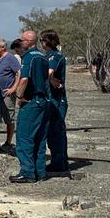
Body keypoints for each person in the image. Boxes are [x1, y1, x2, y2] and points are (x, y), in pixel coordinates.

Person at [10, 30, 51, 183]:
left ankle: (27, 172)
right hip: (44, 101)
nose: (20, 42)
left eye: (22, 39)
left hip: (32, 101)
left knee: (24, 138)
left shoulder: (29, 57)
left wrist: (19, 96)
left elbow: (24, 79)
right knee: (40, 139)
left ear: (29, 42)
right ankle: (40, 171)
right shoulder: (43, 57)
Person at [41, 30, 69, 173]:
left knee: (56, 132)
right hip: (50, 97)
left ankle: (60, 162)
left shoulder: (55, 56)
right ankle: (57, 160)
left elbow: (49, 72)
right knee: (51, 133)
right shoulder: (47, 56)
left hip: (57, 100)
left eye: (42, 40)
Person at [0, 37, 21, 152]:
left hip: (7, 94)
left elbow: (18, 73)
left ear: (3, 47)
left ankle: (8, 141)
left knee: (9, 118)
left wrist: (13, 88)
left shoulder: (10, 58)